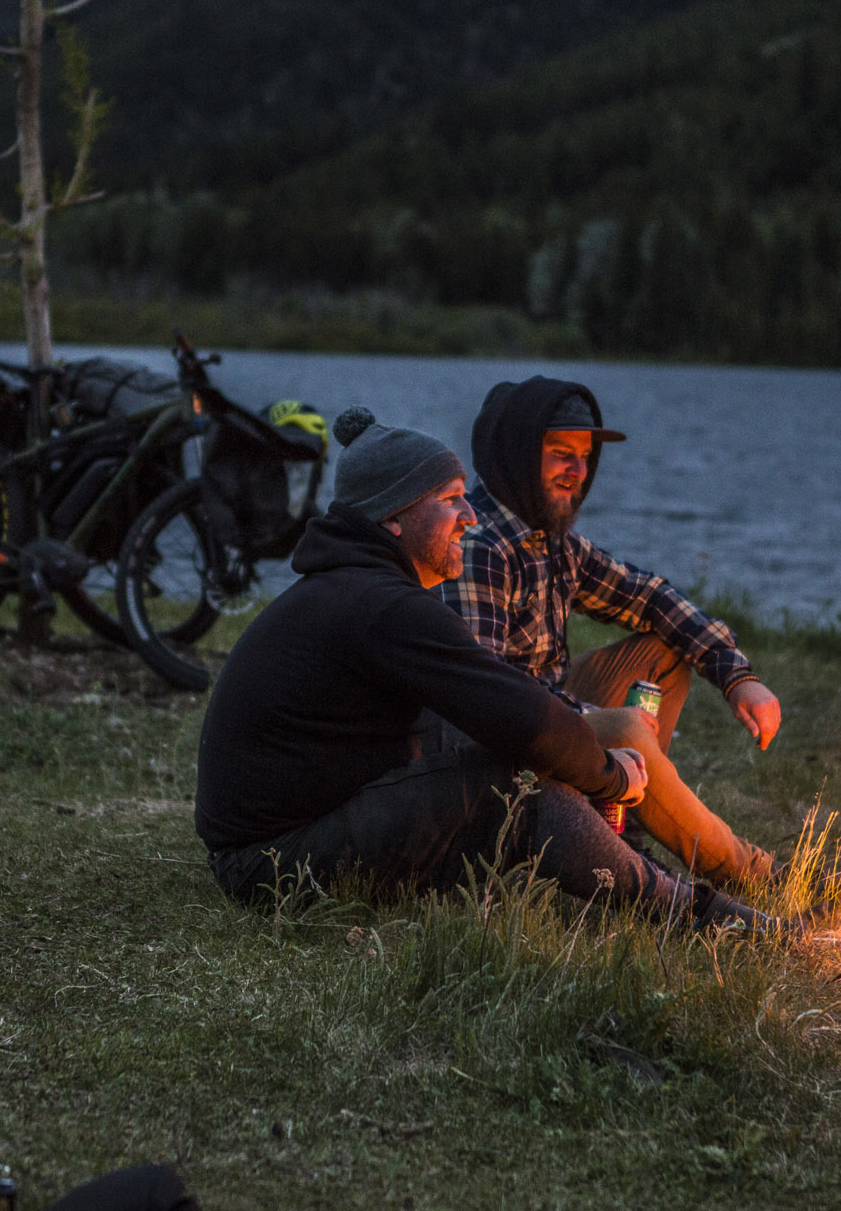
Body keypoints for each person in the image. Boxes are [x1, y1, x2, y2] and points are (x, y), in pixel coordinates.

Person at [195, 406, 770, 931]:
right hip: (270, 866)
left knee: (500, 754)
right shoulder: (381, 605)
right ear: (393, 518)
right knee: (523, 792)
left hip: (278, 841)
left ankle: (639, 868)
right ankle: (710, 919)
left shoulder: (357, 589)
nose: (470, 516)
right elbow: (518, 712)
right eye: (450, 499)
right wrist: (609, 774)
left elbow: (489, 713)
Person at [440, 377, 784, 890]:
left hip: (546, 711)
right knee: (625, 729)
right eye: (561, 454)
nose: (577, 472)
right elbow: (487, 693)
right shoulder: (480, 546)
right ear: (517, 455)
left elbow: (649, 596)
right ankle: (754, 873)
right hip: (496, 748)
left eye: (583, 457)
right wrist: (593, 720)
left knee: (663, 652)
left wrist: (737, 677)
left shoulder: (552, 542)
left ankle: (624, 824)